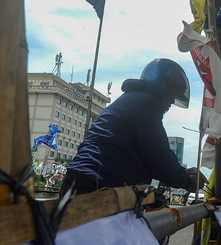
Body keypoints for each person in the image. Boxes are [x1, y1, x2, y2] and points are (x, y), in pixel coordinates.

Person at [60, 58, 207, 196]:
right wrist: (187, 182)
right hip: (95, 184)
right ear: (161, 88)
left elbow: (145, 159)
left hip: (83, 181)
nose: (171, 103)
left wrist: (181, 173)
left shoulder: (132, 101)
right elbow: (157, 155)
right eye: (171, 95)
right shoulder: (146, 105)